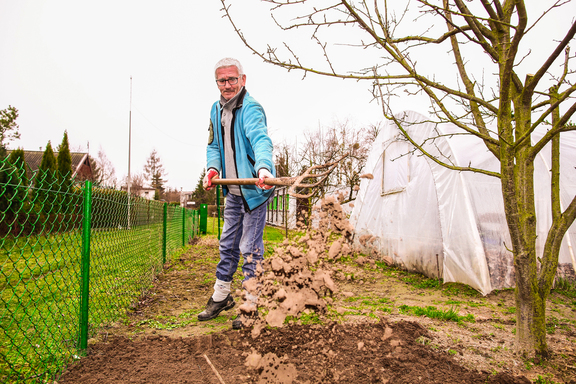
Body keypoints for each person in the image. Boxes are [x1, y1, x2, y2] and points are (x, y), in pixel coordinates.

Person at [198, 58, 275, 329]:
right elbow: (213, 147)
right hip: (232, 190)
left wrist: (264, 168)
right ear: (216, 83)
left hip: (255, 191)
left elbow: (260, 139)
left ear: (243, 80)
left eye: (232, 79)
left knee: (249, 248)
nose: (227, 85)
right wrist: (212, 169)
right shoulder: (215, 110)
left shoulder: (251, 108)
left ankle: (251, 304)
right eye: (222, 80)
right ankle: (221, 297)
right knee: (227, 245)